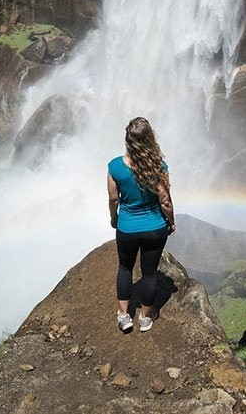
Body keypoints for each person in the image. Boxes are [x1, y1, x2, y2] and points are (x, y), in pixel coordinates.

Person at [107, 117, 175, 333]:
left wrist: (114, 218)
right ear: (150, 139)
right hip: (155, 228)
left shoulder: (115, 166)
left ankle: (124, 316)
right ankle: (145, 319)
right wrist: (171, 222)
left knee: (125, 267)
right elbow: (165, 201)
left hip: (127, 228)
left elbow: (113, 199)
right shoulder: (159, 166)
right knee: (149, 273)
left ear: (128, 140)